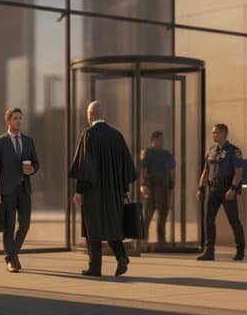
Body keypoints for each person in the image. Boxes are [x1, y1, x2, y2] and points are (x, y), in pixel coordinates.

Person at [69, 101, 136, 277]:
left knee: (93, 227)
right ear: (103, 114)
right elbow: (125, 167)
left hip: (94, 191)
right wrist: (123, 191)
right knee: (112, 224)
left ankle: (95, 267)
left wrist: (79, 191)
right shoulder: (117, 135)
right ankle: (121, 256)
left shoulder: (88, 135)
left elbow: (84, 166)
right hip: (114, 191)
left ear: (89, 115)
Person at [0, 107, 39, 273]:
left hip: (24, 190)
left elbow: (36, 163)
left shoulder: (29, 141)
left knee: (24, 225)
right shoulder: (0, 142)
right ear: (8, 121)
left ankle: (12, 254)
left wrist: (32, 169)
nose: (19, 121)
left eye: (20, 118)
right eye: (15, 118)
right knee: (9, 226)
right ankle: (11, 260)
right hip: (7, 191)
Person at [196, 124, 246, 261]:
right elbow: (206, 171)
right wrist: (201, 188)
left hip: (227, 190)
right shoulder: (211, 150)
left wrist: (233, 189)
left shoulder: (233, 151)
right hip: (212, 190)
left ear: (224, 133)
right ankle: (209, 251)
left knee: (233, 220)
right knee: (209, 220)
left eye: (216, 133)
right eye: (212, 133)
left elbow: (238, 172)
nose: (213, 135)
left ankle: (240, 250)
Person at [140, 130, 175, 244]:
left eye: (162, 139)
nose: (161, 142)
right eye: (159, 139)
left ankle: (161, 240)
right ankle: (143, 240)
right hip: (152, 187)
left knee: (163, 215)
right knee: (148, 215)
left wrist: (171, 190)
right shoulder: (148, 153)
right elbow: (144, 170)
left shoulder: (167, 154)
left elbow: (171, 173)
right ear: (153, 140)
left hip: (163, 187)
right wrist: (143, 184)